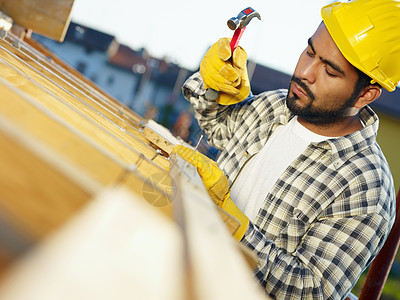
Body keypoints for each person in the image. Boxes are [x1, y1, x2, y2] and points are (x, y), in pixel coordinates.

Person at [173, 0, 399, 299]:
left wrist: (232, 222)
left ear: (366, 94)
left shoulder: (366, 188)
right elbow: (216, 126)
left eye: (330, 71)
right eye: (310, 52)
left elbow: (311, 290)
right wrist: (217, 86)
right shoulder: (274, 106)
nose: (305, 72)